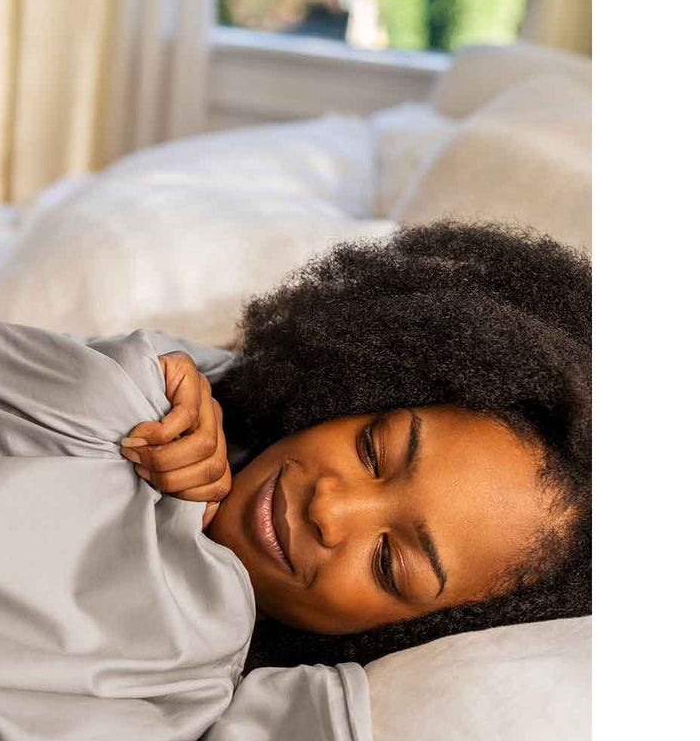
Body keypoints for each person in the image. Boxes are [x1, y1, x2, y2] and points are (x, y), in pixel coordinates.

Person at [116, 221, 591, 671]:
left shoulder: (199, 702)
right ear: (356, 391)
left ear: (412, 636)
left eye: (388, 563)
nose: (329, 508)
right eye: (372, 450)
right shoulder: (168, 384)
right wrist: (142, 381)